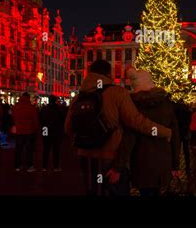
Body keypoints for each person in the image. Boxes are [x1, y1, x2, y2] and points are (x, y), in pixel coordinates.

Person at [65, 60, 172, 196]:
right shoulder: (117, 93)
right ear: (109, 73)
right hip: (110, 158)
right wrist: (164, 131)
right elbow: (137, 122)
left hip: (85, 157)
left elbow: (68, 129)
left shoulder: (78, 98)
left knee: (92, 191)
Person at [114, 68, 180, 196]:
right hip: (164, 162)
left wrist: (118, 166)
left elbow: (129, 138)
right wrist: (175, 165)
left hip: (142, 163)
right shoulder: (166, 104)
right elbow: (175, 136)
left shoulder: (134, 107)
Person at [12, 92, 39, 172]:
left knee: (18, 149)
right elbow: (35, 121)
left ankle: (18, 166)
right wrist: (36, 130)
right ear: (28, 98)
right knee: (29, 150)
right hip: (29, 131)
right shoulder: (31, 108)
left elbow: (13, 118)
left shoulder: (16, 107)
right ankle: (29, 166)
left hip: (19, 131)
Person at [39, 95, 65, 172]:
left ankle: (44, 166)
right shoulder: (59, 109)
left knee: (46, 149)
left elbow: (40, 118)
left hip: (46, 130)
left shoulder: (44, 109)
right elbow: (62, 120)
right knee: (56, 149)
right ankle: (56, 166)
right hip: (56, 131)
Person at [174, 101, 192, 175]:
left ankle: (176, 167)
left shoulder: (176, 111)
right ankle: (187, 166)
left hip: (178, 133)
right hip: (185, 132)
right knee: (186, 150)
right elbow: (189, 121)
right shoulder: (187, 111)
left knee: (176, 150)